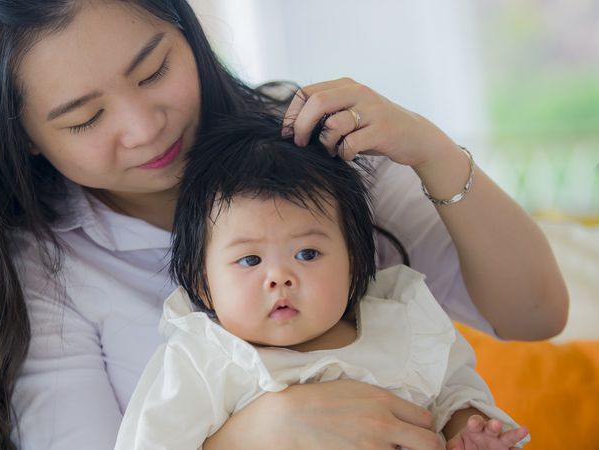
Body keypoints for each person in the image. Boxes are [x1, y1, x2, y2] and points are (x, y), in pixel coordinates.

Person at [0, 1, 568, 449]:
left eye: (153, 71)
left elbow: (536, 314)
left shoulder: (306, 144)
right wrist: (252, 438)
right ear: (23, 137)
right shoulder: (44, 271)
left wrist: (433, 151)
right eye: (85, 119)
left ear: (188, 31)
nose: (145, 128)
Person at [115, 112, 530, 450]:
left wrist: (468, 430)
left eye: (307, 254)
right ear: (201, 283)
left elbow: (457, 394)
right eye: (249, 259)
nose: (279, 277)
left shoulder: (403, 322)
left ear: (354, 260)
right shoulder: (206, 361)